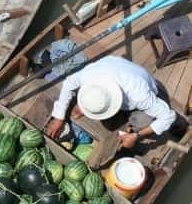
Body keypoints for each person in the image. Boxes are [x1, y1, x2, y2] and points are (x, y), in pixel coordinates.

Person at [45, 56, 177, 149]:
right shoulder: (89, 75)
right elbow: (68, 83)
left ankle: (131, 130)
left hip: (144, 85)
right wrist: (58, 117)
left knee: (142, 121)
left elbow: (169, 116)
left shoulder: (139, 95)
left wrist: (137, 135)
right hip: (113, 68)